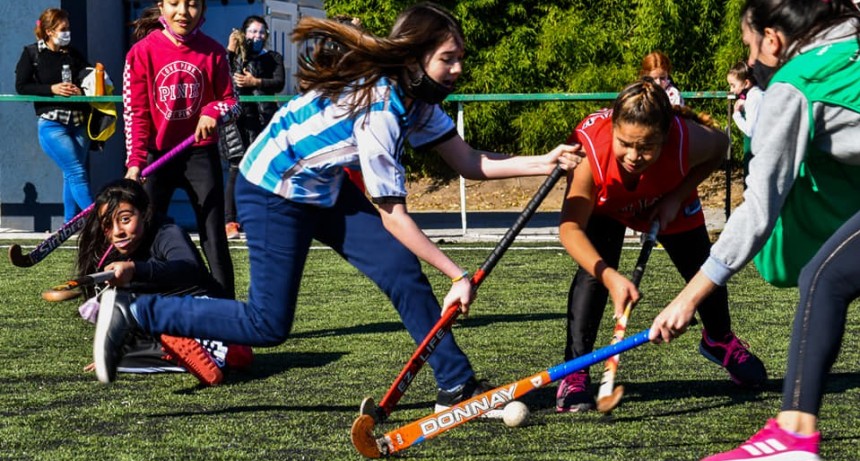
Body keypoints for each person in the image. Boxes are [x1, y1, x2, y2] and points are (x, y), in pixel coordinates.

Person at [93, 2, 581, 414]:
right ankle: (138, 312)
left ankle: (455, 385)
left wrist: (545, 161)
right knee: (268, 324)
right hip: (271, 189)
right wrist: (456, 273)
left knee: (400, 269)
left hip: (320, 187)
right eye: (448, 59)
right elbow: (394, 214)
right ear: (415, 59)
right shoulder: (382, 109)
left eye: (460, 58)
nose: (457, 69)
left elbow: (469, 162)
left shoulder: (416, 99)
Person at [649, 1, 860, 459]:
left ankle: (793, 437)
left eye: (748, 45)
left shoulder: (796, 83)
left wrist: (689, 297)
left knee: (824, 279)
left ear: (772, 39)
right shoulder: (851, 39)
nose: (748, 62)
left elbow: (758, 209)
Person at [555, 79, 766, 413]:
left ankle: (719, 339)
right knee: (592, 272)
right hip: (607, 206)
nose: (634, 156)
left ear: (667, 135)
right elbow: (569, 228)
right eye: (625, 143)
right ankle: (575, 369)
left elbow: (720, 146)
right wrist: (610, 276)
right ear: (612, 129)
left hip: (666, 196)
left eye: (647, 147)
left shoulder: (686, 139)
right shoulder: (589, 151)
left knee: (703, 266)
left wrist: (676, 196)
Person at [76, 179, 252, 385]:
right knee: (106, 310)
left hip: (203, 308)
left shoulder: (167, 233)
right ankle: (165, 351)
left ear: (144, 213)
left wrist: (135, 270)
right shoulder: (111, 252)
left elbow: (189, 268)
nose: (117, 232)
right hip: (167, 323)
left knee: (239, 353)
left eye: (125, 219)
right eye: (108, 224)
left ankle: (191, 348)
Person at [123, 0, 240, 298]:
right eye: (174, 3)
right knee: (144, 235)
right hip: (156, 155)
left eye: (192, 5)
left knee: (214, 235)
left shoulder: (213, 51)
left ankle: (226, 315)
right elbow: (135, 113)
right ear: (161, 6)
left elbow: (232, 102)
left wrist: (214, 110)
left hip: (200, 154)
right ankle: (141, 312)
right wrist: (135, 163)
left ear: (203, 10)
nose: (183, 13)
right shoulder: (141, 53)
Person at [15, 8, 93, 223]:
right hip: (52, 124)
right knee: (77, 172)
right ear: (49, 31)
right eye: (63, 29)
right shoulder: (32, 54)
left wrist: (81, 89)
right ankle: (101, 222)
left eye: (68, 28)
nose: (67, 33)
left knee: (70, 174)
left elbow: (88, 77)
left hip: (78, 123)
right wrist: (52, 89)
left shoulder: (73, 53)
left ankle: (69, 224)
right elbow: (22, 86)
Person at [222, 15, 285, 239]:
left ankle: (261, 218)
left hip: (266, 119)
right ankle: (230, 221)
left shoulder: (273, 58)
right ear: (244, 33)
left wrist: (255, 82)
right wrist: (230, 51)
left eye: (261, 32)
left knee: (265, 168)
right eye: (252, 31)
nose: (256, 36)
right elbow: (221, 74)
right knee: (236, 169)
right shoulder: (236, 57)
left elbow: (279, 82)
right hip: (241, 121)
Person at [726, 60, 763, 181]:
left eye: (733, 85)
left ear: (746, 83)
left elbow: (750, 130)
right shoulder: (754, 95)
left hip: (758, 152)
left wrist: (736, 115)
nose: (731, 89)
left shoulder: (755, 97)